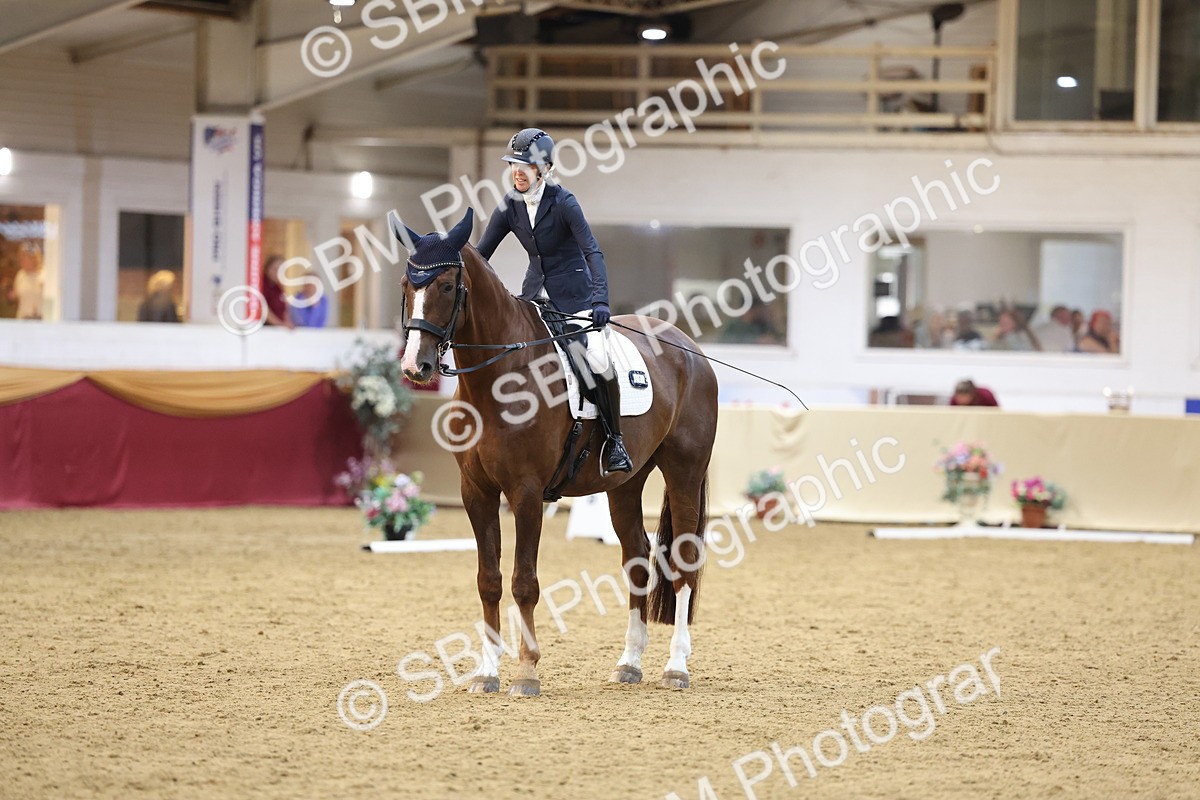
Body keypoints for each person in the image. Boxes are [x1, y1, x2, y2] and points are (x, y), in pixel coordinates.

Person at [476, 127, 631, 474]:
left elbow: (592, 251)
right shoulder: (510, 206)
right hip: (533, 299)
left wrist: (600, 300)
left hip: (574, 300)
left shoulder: (564, 203)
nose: (518, 172)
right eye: (513, 165)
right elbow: (480, 256)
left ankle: (615, 440)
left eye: (526, 166)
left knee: (595, 360)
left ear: (544, 168)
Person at [6, 243, 43, 320]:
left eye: (24, 257)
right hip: (23, 319)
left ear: (33, 258)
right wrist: (12, 296)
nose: (21, 261)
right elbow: (17, 296)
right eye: (20, 258)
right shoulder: (20, 275)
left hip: (40, 319)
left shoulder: (44, 274)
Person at [261, 254, 294, 329]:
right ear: (267, 269)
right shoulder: (262, 285)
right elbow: (263, 309)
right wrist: (280, 324)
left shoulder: (278, 288)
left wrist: (287, 322)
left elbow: (284, 309)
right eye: (274, 269)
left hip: (278, 329)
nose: (277, 272)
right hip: (266, 329)